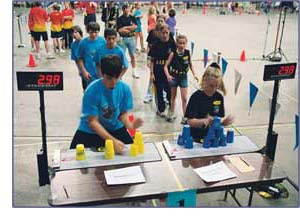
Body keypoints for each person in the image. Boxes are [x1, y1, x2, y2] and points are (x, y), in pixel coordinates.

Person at [70, 55, 144, 154]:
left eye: (116, 78)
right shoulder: (92, 90)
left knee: (131, 154)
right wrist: (112, 141)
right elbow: (93, 122)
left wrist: (131, 125)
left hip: (114, 127)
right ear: (101, 73)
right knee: (74, 156)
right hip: (90, 130)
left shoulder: (125, 89)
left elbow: (122, 114)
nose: (113, 82)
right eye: (109, 78)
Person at [185, 63, 234, 142]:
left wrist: (223, 123)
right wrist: (204, 121)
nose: (214, 89)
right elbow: (189, 121)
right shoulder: (196, 97)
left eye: (216, 86)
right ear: (204, 80)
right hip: (195, 138)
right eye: (211, 85)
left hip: (213, 138)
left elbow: (219, 118)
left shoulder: (219, 97)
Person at [164, 34, 199, 124]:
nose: (182, 45)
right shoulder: (173, 53)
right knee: (173, 97)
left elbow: (190, 64)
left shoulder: (187, 53)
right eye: (180, 43)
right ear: (177, 43)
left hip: (183, 77)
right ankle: (171, 112)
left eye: (184, 43)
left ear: (186, 44)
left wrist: (194, 74)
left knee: (184, 98)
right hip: (174, 77)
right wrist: (168, 75)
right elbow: (165, 66)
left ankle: (185, 116)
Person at [149, 24, 176, 117]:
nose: (164, 35)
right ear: (159, 33)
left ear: (169, 32)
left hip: (168, 70)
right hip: (158, 69)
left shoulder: (172, 44)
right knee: (159, 90)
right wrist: (152, 73)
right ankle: (161, 109)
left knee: (169, 89)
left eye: (166, 33)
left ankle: (171, 107)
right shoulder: (155, 44)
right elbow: (152, 60)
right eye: (163, 33)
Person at [117, 4, 138, 78]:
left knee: (132, 55)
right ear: (123, 10)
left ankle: (134, 71)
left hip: (131, 38)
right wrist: (130, 29)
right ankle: (120, 72)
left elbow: (135, 27)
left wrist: (126, 27)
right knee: (121, 55)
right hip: (123, 39)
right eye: (125, 9)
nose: (127, 10)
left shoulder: (132, 17)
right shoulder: (119, 19)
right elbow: (120, 30)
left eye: (127, 8)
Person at [70, 25, 87, 91]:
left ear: (80, 32)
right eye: (72, 33)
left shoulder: (86, 42)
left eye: (75, 32)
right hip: (82, 69)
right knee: (85, 88)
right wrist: (79, 70)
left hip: (91, 67)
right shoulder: (73, 45)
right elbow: (76, 59)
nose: (74, 34)